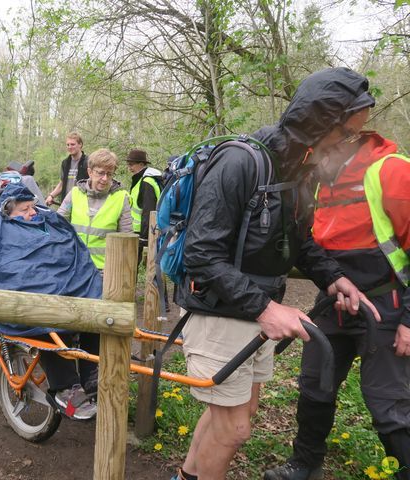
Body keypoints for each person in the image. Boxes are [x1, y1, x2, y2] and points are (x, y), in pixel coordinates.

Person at [171, 67, 380, 480]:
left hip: (255, 309)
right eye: (346, 135)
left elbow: (299, 240)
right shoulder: (239, 161)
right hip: (218, 309)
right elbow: (201, 253)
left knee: (234, 416)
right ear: (318, 125)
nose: (348, 145)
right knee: (234, 428)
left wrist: (333, 278)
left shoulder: (299, 171)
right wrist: (267, 309)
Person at [263, 127, 410, 479]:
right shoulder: (319, 181)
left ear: (344, 143)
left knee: (388, 403)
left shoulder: (391, 170)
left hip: (387, 303)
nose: (314, 159)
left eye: (321, 151)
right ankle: (305, 463)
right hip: (333, 302)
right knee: (315, 384)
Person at [0, 183, 101, 420]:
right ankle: (65, 387)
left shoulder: (47, 224)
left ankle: (93, 375)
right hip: (31, 298)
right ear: (9, 212)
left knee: (95, 311)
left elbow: (71, 250)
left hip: (67, 289)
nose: (32, 213)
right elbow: (4, 267)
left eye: (32, 207)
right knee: (47, 322)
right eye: (25, 209)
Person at [57, 148, 132, 270]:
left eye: (109, 174)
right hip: (75, 266)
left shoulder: (121, 198)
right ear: (90, 172)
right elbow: (58, 225)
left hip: (105, 271)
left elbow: (127, 240)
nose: (105, 178)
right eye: (101, 173)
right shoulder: (75, 194)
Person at [125, 149, 163, 262]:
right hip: (140, 230)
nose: (129, 168)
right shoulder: (142, 179)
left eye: (132, 164)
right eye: (128, 164)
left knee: (133, 264)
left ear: (141, 164)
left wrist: (144, 237)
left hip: (142, 231)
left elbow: (148, 211)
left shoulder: (146, 182)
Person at [45, 132, 89, 206]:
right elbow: (62, 183)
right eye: (68, 145)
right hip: (66, 203)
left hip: (82, 204)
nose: (69, 147)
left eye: (72, 144)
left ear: (80, 144)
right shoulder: (65, 163)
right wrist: (51, 196)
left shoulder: (88, 162)